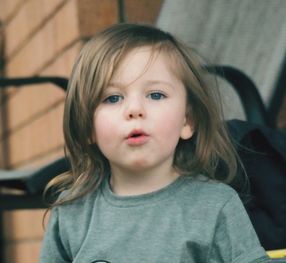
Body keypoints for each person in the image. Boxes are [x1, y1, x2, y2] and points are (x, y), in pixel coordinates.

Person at [40, 23, 270, 262]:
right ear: (88, 127)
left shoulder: (215, 206)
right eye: (113, 98)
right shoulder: (71, 214)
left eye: (156, 95)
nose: (135, 109)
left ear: (187, 121)